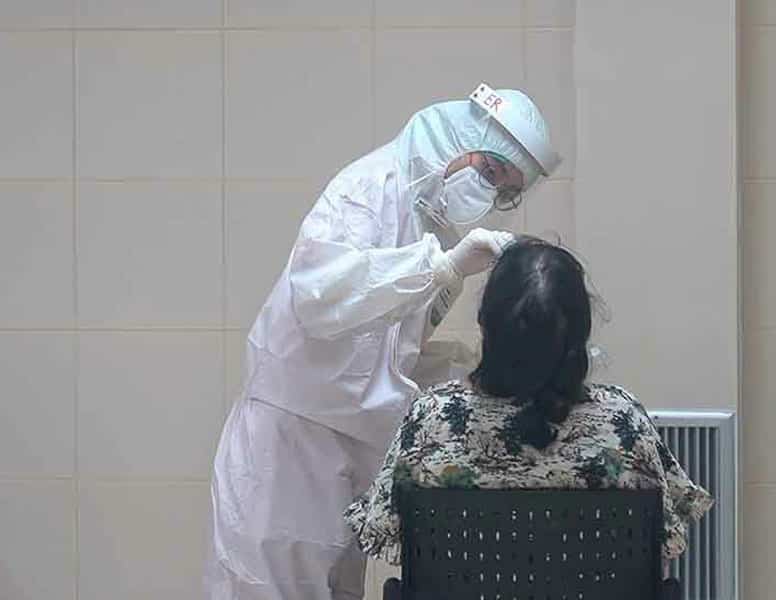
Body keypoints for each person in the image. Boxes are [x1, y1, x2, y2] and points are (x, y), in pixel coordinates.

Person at [205, 84, 561, 600]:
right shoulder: (370, 189)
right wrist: (438, 268)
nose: (489, 193)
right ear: (460, 137)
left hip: (351, 446)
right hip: (291, 440)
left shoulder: (430, 224)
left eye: (504, 189)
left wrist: (473, 372)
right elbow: (319, 296)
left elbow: (385, 353)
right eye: (489, 169)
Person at [345, 238, 713, 565]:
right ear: (581, 332)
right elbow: (664, 547)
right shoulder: (623, 420)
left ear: (484, 324)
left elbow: (383, 533)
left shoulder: (430, 419)